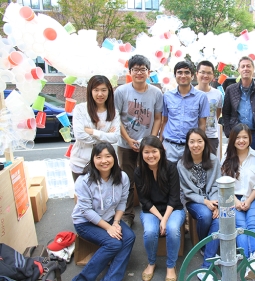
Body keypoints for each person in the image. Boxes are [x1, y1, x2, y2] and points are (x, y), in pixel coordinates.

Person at [72, 143, 135, 281]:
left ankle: (112, 278)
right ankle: (82, 279)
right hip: (85, 222)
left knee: (129, 236)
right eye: (99, 157)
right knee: (113, 243)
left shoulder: (122, 177)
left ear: (114, 158)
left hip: (109, 218)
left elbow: (123, 201)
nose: (104, 161)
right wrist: (109, 228)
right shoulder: (84, 181)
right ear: (93, 159)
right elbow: (86, 211)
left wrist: (117, 222)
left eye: (108, 156)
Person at [114, 54, 164, 227]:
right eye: (135, 69)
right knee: (126, 180)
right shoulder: (121, 92)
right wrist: (128, 139)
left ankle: (154, 212)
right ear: (130, 72)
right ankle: (127, 215)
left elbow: (158, 118)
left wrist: (151, 139)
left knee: (151, 178)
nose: (139, 73)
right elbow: (116, 119)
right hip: (126, 145)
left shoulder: (156, 93)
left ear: (148, 72)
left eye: (143, 69)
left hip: (147, 145)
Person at [134, 136, 185, 281]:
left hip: (173, 208)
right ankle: (151, 263)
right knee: (150, 231)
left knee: (173, 229)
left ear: (161, 151)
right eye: (146, 152)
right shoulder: (139, 172)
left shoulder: (170, 167)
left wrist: (166, 218)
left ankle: (171, 265)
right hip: (151, 210)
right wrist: (161, 219)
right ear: (141, 154)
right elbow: (144, 200)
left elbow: (174, 198)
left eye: (154, 151)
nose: (150, 156)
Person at [221, 123, 255, 279]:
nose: (241, 140)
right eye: (238, 137)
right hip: (233, 199)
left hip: (254, 198)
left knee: (253, 224)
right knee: (240, 227)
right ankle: (247, 263)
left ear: (250, 138)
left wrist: (249, 200)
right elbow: (223, 182)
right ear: (232, 139)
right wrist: (236, 202)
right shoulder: (226, 157)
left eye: (245, 137)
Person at [177, 128, 221, 281]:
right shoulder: (182, 164)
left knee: (219, 218)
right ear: (187, 144)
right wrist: (205, 202)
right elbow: (187, 191)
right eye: (192, 141)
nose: (196, 145)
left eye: (199, 141)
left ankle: (206, 266)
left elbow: (216, 185)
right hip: (194, 201)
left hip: (214, 200)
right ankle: (206, 247)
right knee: (205, 214)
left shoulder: (214, 160)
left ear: (205, 142)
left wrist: (215, 204)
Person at [70, 75, 120, 182]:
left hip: (104, 163)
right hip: (81, 162)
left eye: (103, 90)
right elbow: (79, 135)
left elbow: (115, 137)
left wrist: (92, 131)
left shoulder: (113, 112)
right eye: (96, 90)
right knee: (82, 196)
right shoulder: (80, 109)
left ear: (109, 91)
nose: (100, 94)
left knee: (103, 195)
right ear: (90, 91)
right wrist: (105, 135)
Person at [161, 60, 210, 162]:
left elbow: (202, 124)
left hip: (190, 147)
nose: (183, 75)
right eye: (179, 72)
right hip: (169, 146)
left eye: (187, 72)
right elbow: (164, 121)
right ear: (175, 75)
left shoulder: (201, 97)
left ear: (192, 76)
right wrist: (160, 143)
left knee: (189, 177)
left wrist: (200, 145)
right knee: (168, 176)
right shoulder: (167, 96)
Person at [222, 56, 255, 149]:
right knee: (236, 162)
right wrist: (229, 132)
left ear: (253, 69)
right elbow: (226, 113)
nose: (246, 69)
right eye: (243, 66)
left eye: (248, 66)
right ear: (239, 70)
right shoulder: (230, 89)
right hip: (236, 135)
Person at [195, 60, 223, 155]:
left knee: (210, 166)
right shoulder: (191, 93)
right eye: (202, 72)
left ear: (213, 75)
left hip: (211, 137)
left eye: (209, 73)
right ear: (196, 74)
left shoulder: (218, 94)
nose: (205, 76)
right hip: (193, 137)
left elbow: (217, 113)